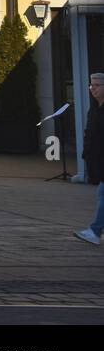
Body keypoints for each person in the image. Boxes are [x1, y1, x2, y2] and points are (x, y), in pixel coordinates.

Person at [74, 72, 104, 245]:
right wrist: (86, 152)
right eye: (91, 85)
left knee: (102, 194)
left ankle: (95, 231)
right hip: (98, 158)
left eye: (97, 85)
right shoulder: (93, 109)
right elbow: (89, 132)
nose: (93, 88)